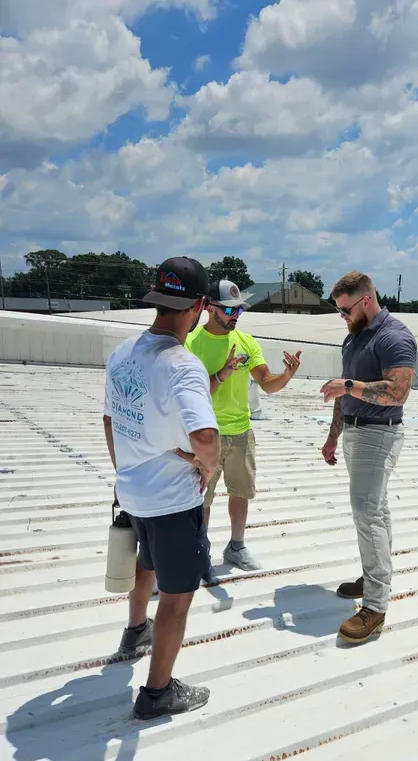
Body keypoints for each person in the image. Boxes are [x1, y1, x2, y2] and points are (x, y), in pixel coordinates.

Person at [103, 256, 220, 720]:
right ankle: (157, 693)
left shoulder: (122, 353)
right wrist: (206, 468)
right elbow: (207, 438)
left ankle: (135, 631)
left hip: (131, 492)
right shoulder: (182, 365)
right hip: (172, 500)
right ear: (200, 305)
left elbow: (111, 419)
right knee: (177, 595)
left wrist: (124, 471)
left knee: (145, 566)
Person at [320, 271, 417, 644]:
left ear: (365, 300)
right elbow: (347, 396)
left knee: (366, 510)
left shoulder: (394, 337)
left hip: (380, 435)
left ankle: (375, 604)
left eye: (344, 309)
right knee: (376, 509)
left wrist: (348, 385)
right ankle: (373, 576)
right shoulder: (355, 337)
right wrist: (333, 437)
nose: (341, 316)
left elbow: (397, 392)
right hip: (356, 434)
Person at [186, 278, 302, 571]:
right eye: (229, 310)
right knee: (201, 498)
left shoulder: (247, 342)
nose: (236, 316)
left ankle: (236, 548)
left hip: (241, 433)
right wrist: (222, 374)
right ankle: (200, 552)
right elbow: (192, 394)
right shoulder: (190, 343)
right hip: (204, 434)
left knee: (240, 492)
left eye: (239, 310)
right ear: (210, 308)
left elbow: (266, 383)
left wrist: (286, 375)